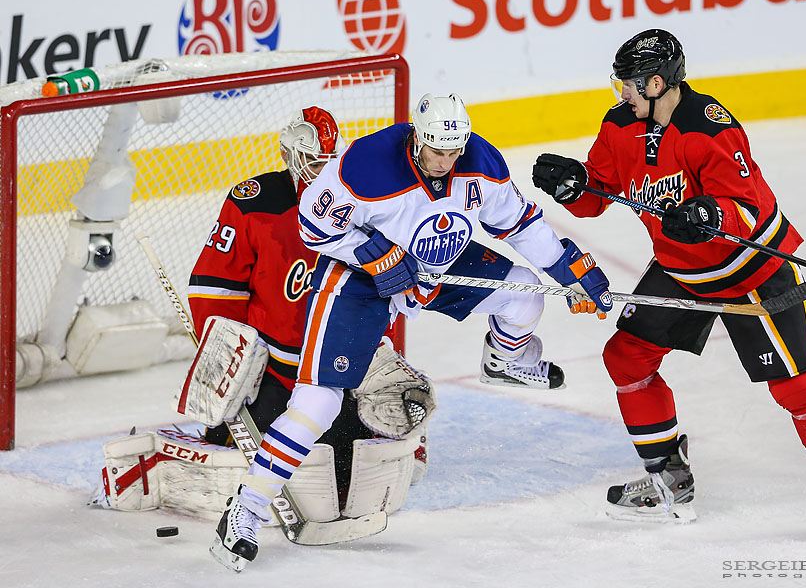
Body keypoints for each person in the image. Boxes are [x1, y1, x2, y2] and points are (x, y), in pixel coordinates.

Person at [210, 92, 614, 570]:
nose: (446, 161)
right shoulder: (366, 164)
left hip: (436, 265)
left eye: (454, 150)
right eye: (437, 150)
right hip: (357, 281)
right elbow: (313, 225)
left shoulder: (480, 162)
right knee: (318, 403)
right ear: (418, 138)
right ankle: (245, 510)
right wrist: (375, 254)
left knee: (524, 293)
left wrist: (571, 267)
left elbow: (519, 224)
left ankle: (505, 359)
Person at [531, 29, 806, 533]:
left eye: (628, 84)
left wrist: (710, 214)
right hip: (681, 270)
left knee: (798, 388)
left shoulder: (709, 127)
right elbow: (598, 195)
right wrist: (573, 185)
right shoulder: (618, 126)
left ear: (655, 83)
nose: (621, 94)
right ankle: (668, 475)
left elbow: (748, 208)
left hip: (750, 273)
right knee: (626, 356)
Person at [91, 107, 428, 525]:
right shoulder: (255, 201)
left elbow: (388, 286)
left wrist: (376, 349)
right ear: (290, 155)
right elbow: (215, 285)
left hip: (335, 368)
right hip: (269, 371)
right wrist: (229, 354)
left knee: (353, 470)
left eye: (328, 163)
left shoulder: (368, 201)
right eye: (312, 162)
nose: (318, 173)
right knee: (233, 466)